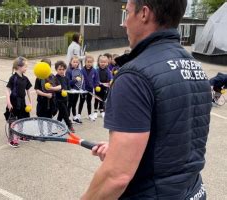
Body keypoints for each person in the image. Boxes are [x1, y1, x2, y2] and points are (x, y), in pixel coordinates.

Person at [82, 0, 211, 199]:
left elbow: (116, 176)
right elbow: (175, 140)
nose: (124, 23)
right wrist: (120, 152)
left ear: (144, 14)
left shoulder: (134, 76)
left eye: (127, 13)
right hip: (193, 192)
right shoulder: (194, 66)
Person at [4, 56, 33, 148]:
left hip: (22, 102)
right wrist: (8, 102)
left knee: (23, 119)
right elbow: (7, 89)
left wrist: (31, 102)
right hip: (14, 102)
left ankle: (21, 135)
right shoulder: (13, 78)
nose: (26, 68)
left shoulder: (25, 78)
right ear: (19, 67)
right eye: (25, 66)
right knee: (13, 121)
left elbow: (28, 90)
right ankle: (12, 139)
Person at [77, 55, 99, 121]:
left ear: (93, 63)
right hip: (83, 90)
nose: (89, 63)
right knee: (81, 102)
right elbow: (79, 80)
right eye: (88, 62)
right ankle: (79, 114)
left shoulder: (95, 71)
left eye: (91, 62)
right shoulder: (81, 71)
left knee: (89, 102)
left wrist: (96, 86)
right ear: (85, 62)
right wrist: (80, 87)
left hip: (90, 90)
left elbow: (96, 80)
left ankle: (89, 114)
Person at [54, 60, 74, 132]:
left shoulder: (66, 78)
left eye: (63, 69)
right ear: (56, 69)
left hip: (65, 99)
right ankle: (69, 125)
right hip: (58, 99)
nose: (61, 71)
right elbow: (55, 88)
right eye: (59, 69)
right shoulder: (55, 78)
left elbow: (68, 88)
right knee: (65, 112)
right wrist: (61, 90)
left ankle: (57, 123)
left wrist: (71, 90)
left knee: (62, 113)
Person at [93, 55, 112, 119]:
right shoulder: (96, 70)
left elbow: (110, 78)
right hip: (98, 87)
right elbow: (94, 78)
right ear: (98, 62)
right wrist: (96, 84)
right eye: (101, 62)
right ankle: (95, 111)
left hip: (105, 87)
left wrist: (110, 82)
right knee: (96, 99)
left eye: (104, 62)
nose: (102, 63)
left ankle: (102, 110)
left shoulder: (108, 71)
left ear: (107, 63)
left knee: (102, 99)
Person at [66, 56, 82, 124]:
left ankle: (75, 117)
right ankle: (68, 118)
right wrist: (75, 80)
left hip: (77, 90)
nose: (75, 63)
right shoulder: (68, 71)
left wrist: (81, 87)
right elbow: (68, 82)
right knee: (69, 104)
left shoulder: (79, 70)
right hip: (70, 91)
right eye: (74, 62)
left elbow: (81, 81)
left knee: (74, 104)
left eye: (77, 62)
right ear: (70, 62)